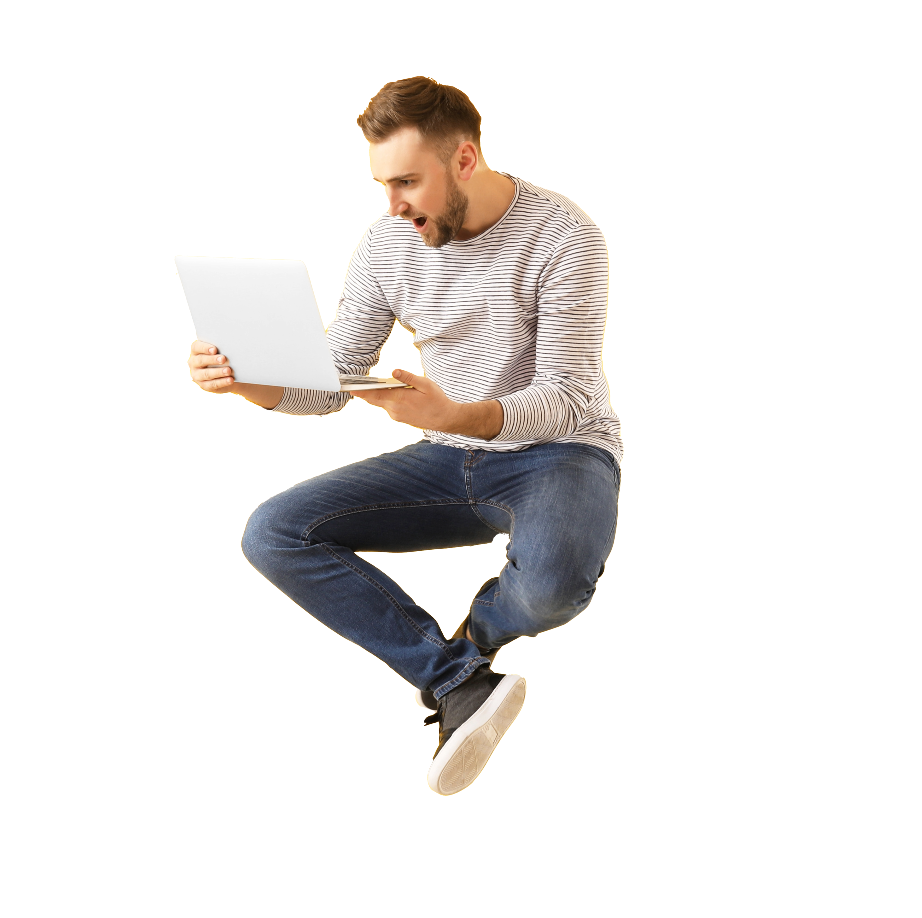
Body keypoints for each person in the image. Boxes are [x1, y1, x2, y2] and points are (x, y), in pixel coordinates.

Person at [186, 76, 622, 795]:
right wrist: (247, 381)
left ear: (464, 160)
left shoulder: (564, 233)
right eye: (383, 183)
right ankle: (456, 684)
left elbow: (571, 398)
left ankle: (468, 647)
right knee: (271, 532)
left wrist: (455, 415)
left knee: (553, 592)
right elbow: (332, 382)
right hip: (448, 455)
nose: (394, 205)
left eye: (407, 182)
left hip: (560, 453)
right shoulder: (389, 242)